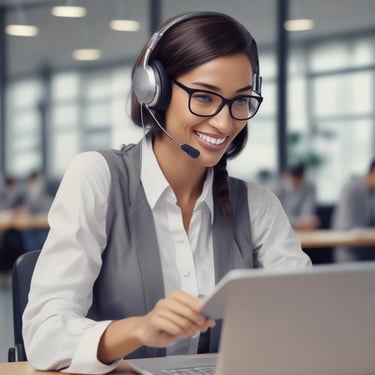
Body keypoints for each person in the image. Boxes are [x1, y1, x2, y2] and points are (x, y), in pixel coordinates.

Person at [23, 12, 311, 374]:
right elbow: (43, 334)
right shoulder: (97, 177)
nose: (225, 123)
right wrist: (138, 329)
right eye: (204, 97)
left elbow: (308, 317)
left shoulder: (258, 205)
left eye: (240, 101)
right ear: (153, 90)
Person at [331, 159, 375, 262]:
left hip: (368, 249)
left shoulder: (372, 193)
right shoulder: (351, 189)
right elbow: (346, 227)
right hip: (349, 251)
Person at [269, 164, 320, 230]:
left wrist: (304, 221)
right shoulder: (275, 188)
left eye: (298, 180)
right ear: (285, 176)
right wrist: (298, 222)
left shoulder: (309, 187)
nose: (295, 183)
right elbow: (274, 217)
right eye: (293, 179)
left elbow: (307, 217)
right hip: (277, 230)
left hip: (300, 231)